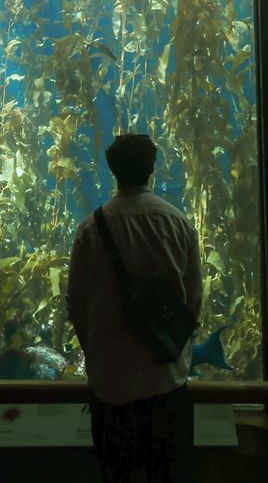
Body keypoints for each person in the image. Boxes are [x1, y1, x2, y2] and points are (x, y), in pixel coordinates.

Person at [66, 133, 203, 483]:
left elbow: (77, 305)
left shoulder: (90, 230)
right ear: (152, 168)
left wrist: (97, 353)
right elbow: (192, 301)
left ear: (112, 171)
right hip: (166, 383)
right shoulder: (178, 223)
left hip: (111, 387)